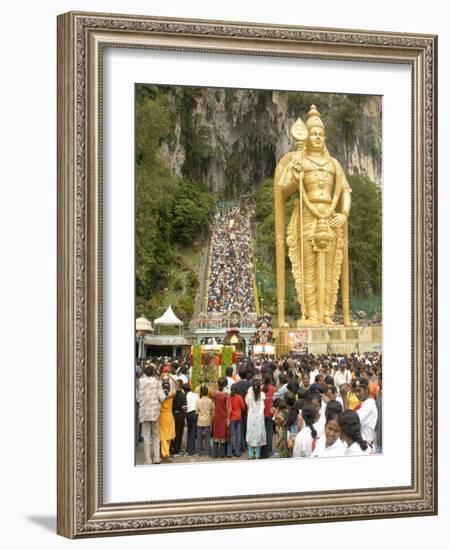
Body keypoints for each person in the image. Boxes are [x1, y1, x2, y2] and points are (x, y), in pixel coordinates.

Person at [275, 105, 351, 324]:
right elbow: (283, 190)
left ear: (324, 137)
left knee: (330, 268)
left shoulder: (333, 163)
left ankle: (326, 313)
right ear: (306, 136)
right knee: (308, 268)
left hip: (330, 214)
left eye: (320, 133)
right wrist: (294, 175)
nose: (317, 137)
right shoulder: (300, 160)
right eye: (313, 133)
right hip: (307, 215)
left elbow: (345, 190)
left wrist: (343, 213)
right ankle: (312, 314)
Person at [138, 365, 167, 465]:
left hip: (144, 412)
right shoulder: (157, 382)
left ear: (145, 373)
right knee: (156, 435)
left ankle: (147, 460)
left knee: (146, 436)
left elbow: (138, 398)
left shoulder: (140, 383)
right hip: (155, 412)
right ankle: (156, 458)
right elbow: (162, 397)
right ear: (154, 373)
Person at [245, 378, 266, 459]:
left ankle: (250, 455)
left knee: (250, 434)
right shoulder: (262, 395)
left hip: (251, 417)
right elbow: (263, 406)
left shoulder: (249, 395)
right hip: (259, 418)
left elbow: (247, 404)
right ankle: (257, 455)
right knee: (258, 435)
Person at [158, 373, 177, 463]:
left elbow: (158, 385)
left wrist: (161, 377)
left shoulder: (161, 396)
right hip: (169, 416)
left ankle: (164, 453)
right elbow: (177, 384)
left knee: (163, 435)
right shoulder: (172, 393)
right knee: (168, 436)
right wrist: (170, 377)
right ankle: (165, 453)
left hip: (161, 416)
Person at [354, 377, 378, 445]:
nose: (357, 394)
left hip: (364, 445)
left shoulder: (368, 406)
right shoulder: (365, 404)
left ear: (367, 390)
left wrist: (344, 398)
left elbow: (351, 421)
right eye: (355, 391)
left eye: (359, 391)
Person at [211, 377, 231, 458]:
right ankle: (222, 455)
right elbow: (228, 407)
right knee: (223, 436)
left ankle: (214, 454)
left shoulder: (214, 394)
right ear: (224, 385)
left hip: (216, 416)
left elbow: (213, 406)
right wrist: (228, 418)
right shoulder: (226, 395)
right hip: (223, 417)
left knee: (215, 435)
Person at [226, 384, 246, 457]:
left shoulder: (229, 397)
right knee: (238, 435)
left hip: (231, 418)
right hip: (238, 417)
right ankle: (237, 452)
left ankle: (229, 452)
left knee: (230, 435)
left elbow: (228, 408)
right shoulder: (239, 397)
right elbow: (243, 407)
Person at [196, 384, 214, 456]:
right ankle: (207, 452)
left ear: (201, 393)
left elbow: (197, 411)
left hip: (200, 421)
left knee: (199, 437)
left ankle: (199, 452)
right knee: (207, 437)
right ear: (207, 392)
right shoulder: (210, 401)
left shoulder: (198, 401)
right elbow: (212, 411)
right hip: (207, 420)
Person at [171, 379, 187, 456]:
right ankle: (177, 450)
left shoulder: (173, 394)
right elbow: (184, 407)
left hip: (173, 414)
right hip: (180, 415)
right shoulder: (182, 395)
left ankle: (172, 447)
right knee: (179, 433)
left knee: (172, 432)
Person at [184, 383, 199, 456]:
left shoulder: (186, 396)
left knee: (189, 431)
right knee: (193, 431)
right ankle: (191, 449)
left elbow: (185, 407)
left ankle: (189, 448)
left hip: (189, 414)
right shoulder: (196, 395)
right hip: (195, 414)